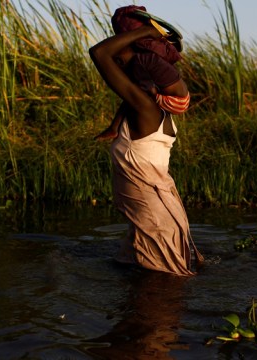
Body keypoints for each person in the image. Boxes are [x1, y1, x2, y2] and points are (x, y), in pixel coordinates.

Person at [89, 11, 202, 276]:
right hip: (159, 214)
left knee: (160, 295)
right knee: (143, 282)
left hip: (156, 220)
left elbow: (99, 53)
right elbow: (129, 93)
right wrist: (113, 126)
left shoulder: (145, 109)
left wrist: (145, 33)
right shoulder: (152, 109)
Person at [94, 6, 190, 141]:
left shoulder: (145, 59)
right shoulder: (151, 56)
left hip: (175, 101)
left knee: (138, 88)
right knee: (136, 90)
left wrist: (145, 31)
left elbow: (98, 52)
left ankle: (113, 128)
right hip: (177, 100)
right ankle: (113, 129)